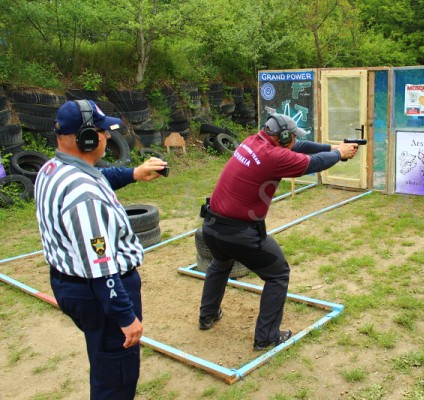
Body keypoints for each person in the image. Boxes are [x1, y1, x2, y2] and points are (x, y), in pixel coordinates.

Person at [34, 99, 168, 399]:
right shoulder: (85, 196)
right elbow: (101, 268)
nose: (108, 136)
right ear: (86, 138)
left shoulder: (53, 168)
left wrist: (133, 173)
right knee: (116, 376)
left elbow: (99, 177)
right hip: (100, 292)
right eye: (102, 131)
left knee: (104, 359)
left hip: (70, 284)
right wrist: (124, 316)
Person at [199, 113, 358, 351]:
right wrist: (339, 154)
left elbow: (299, 147)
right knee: (278, 274)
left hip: (211, 227)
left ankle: (207, 315)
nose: (294, 140)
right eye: (292, 136)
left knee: (220, 264)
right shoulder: (274, 157)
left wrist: (331, 147)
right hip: (239, 233)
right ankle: (266, 337)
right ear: (283, 136)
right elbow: (313, 163)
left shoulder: (253, 141)